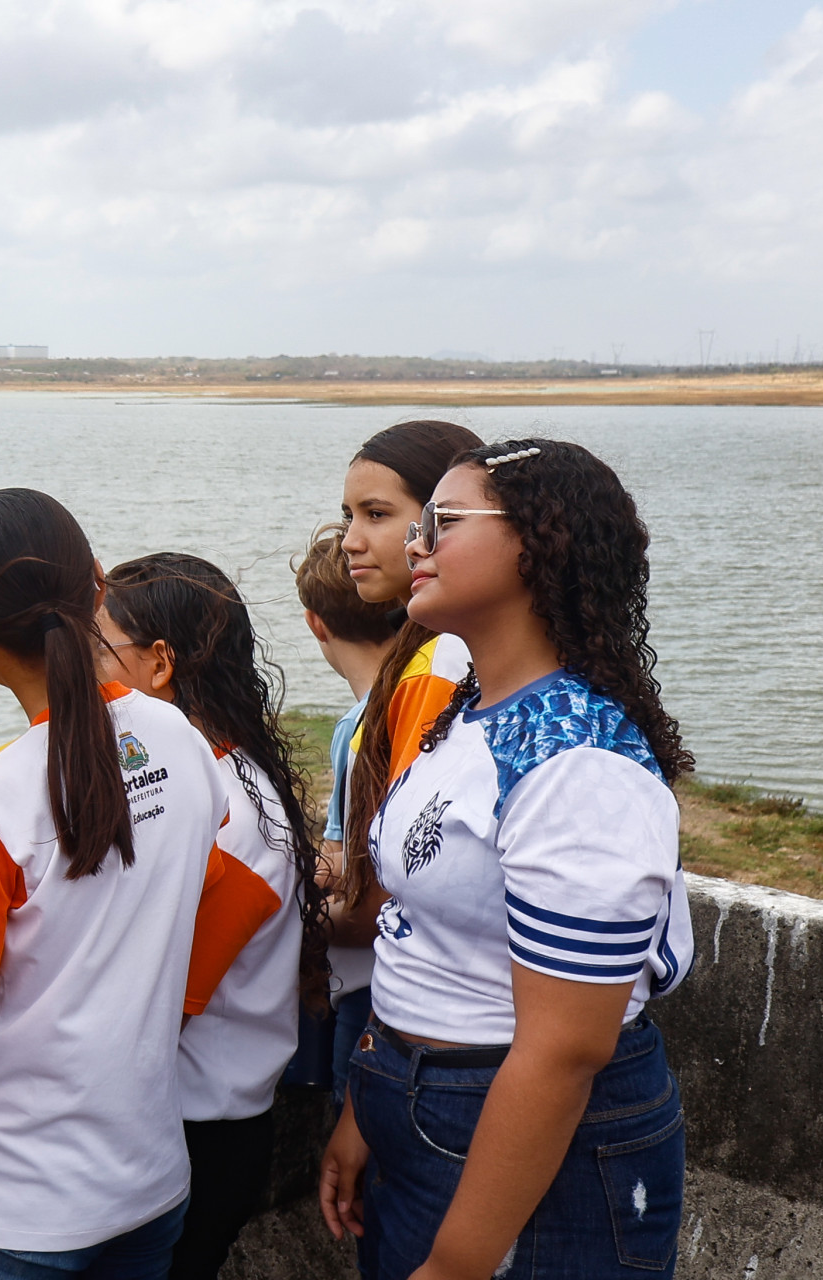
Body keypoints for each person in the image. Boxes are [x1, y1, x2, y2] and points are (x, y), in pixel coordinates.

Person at [317, 439, 694, 1279]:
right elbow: (420, 929)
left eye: (442, 522)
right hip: (422, 1106)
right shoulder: (469, 711)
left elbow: (564, 1051)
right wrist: (367, 1107)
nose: (414, 543)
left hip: (524, 1142)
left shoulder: (578, 762)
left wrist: (457, 1263)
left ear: (536, 541)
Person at [0, 489, 236, 1280]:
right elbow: (187, 887)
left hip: (12, 1209)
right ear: (97, 584)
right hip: (146, 1185)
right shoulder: (181, 737)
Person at [96, 553, 330, 1280]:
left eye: (98, 648)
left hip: (199, 1134)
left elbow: (166, 1002)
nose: (79, 667)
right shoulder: (203, 778)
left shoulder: (235, 815)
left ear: (159, 663)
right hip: (184, 1121)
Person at [334, 421, 485, 1024]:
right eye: (348, 516)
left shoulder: (440, 661)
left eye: (376, 515)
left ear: (440, 523)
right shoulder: (427, 650)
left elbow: (398, 864)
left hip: (398, 995)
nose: (350, 541)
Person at [292, 526, 400, 1106]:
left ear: (316, 623)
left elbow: (363, 902)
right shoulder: (423, 701)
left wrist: (283, 924)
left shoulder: (359, 730)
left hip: (370, 994)